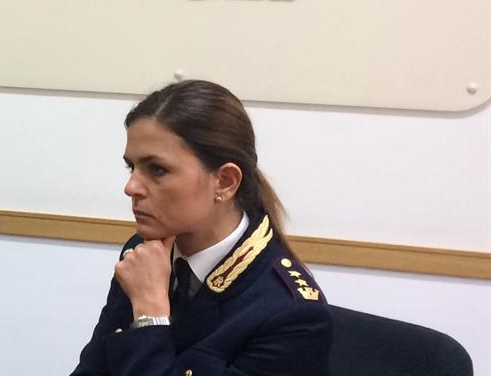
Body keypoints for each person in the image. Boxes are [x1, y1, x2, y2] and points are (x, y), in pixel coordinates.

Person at [70, 79, 331, 376]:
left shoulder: (292, 314)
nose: (131, 187)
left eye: (157, 169)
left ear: (225, 182)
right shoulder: (145, 252)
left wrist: (149, 315)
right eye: (132, 167)